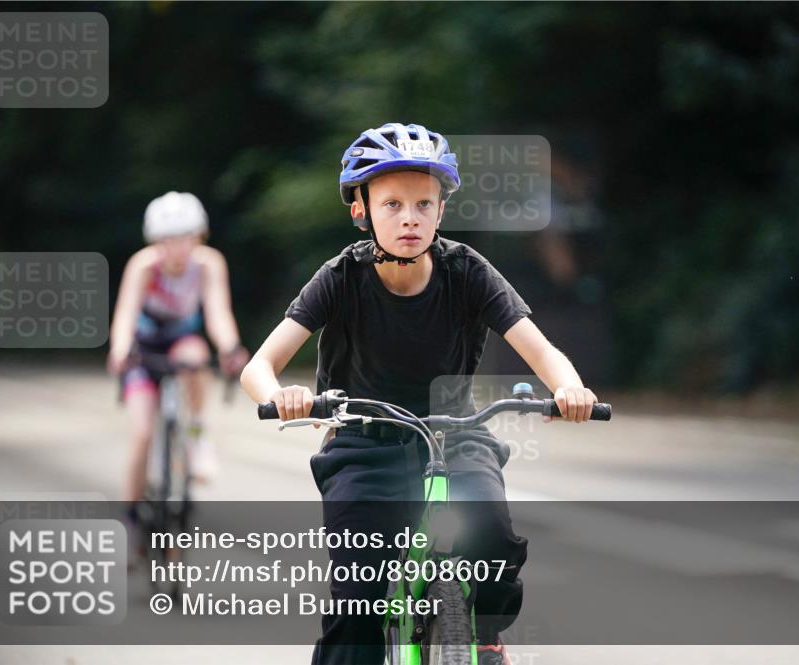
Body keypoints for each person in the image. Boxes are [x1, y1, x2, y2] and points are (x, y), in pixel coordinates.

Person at [241, 123, 600, 665]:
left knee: (493, 540)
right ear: (360, 210)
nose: (409, 217)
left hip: (455, 435)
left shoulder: (467, 272)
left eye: (422, 204)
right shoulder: (340, 278)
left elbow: (543, 351)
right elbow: (258, 366)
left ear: (440, 211)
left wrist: (570, 388)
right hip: (364, 444)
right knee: (356, 611)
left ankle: (483, 638)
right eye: (391, 204)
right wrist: (283, 394)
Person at [107, 192, 248, 517]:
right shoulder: (144, 265)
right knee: (142, 435)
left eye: (187, 238)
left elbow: (217, 311)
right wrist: (120, 350)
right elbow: (125, 313)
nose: (179, 248)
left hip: (180, 341)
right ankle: (130, 519)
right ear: (156, 241)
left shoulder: (208, 263)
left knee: (196, 354)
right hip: (143, 349)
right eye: (169, 240)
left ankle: (197, 434)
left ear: (199, 237)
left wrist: (230, 346)